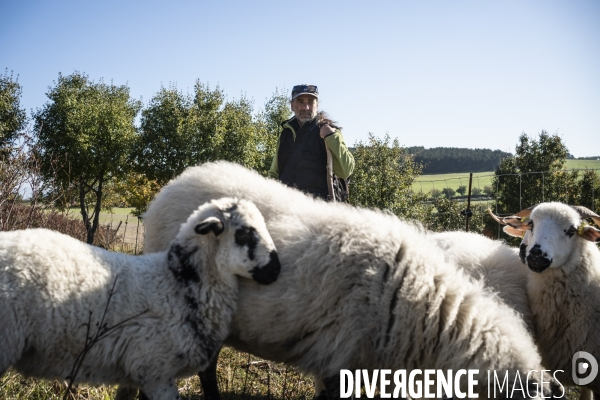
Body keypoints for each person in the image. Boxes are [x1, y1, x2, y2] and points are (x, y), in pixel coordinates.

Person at [268, 84, 354, 201]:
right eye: (300, 102)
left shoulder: (329, 131)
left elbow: (345, 171)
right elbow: (274, 173)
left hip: (318, 210)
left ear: (317, 105)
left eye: (310, 102)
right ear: (292, 106)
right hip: (286, 206)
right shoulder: (286, 134)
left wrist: (331, 136)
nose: (306, 107)